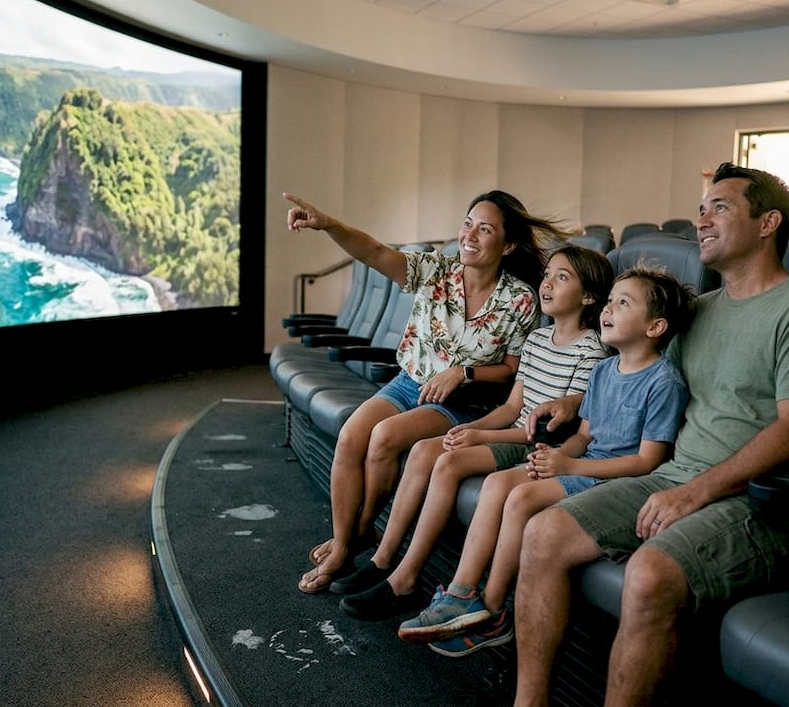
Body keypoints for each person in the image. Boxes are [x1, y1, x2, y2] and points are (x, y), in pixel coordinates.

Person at [510, 162, 789, 706]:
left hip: (766, 500)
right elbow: (645, 378)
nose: (702, 220)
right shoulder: (699, 312)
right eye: (700, 210)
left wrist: (695, 492)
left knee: (649, 573)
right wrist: (573, 402)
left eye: (720, 208)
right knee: (543, 533)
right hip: (677, 476)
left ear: (768, 223)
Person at [393, 264, 698, 657]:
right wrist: (555, 456)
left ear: (655, 327)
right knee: (498, 483)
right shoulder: (604, 371)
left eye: (624, 303)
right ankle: (462, 593)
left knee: (521, 498)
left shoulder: (663, 382)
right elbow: (585, 436)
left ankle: (493, 610)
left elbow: (646, 463)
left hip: (614, 481)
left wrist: (570, 466)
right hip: (582, 463)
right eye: (610, 301)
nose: (608, 309)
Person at [284, 190, 573, 594]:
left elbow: (511, 368)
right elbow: (373, 252)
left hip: (464, 400)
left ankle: (354, 539)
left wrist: (463, 372)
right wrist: (329, 224)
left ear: (507, 245)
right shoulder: (437, 270)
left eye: (485, 229)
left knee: (384, 436)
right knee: (351, 435)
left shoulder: (520, 299)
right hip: (410, 383)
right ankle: (347, 541)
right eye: (468, 223)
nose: (470, 235)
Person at [331, 244, 616, 611]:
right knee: (426, 449)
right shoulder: (537, 340)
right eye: (547, 275)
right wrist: (470, 430)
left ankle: (405, 579)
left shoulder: (591, 351)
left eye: (562, 278)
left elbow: (546, 430)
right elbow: (512, 408)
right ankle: (383, 559)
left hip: (539, 445)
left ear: (589, 296)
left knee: (449, 462)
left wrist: (481, 436)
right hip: (511, 431)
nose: (547, 284)